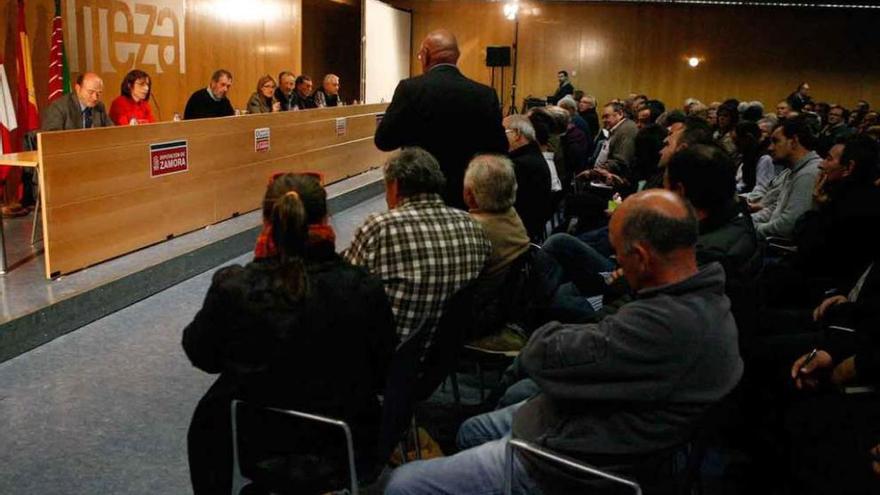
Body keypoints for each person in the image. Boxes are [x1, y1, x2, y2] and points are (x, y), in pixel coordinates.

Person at [384, 189, 743, 494]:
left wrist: (560, 334)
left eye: (617, 253)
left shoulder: (663, 323)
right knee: (471, 430)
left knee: (401, 484)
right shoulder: (710, 300)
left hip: (563, 461)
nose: (614, 261)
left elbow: (543, 355)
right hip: (579, 424)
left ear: (643, 258)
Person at [183, 173, 396, 494]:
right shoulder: (363, 288)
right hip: (347, 445)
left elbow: (202, 354)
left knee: (212, 416)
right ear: (325, 219)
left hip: (257, 445)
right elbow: (384, 370)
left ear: (266, 221)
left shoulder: (235, 288)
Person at [344, 147, 491, 340]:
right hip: (446, 349)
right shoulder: (474, 225)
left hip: (387, 353)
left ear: (395, 186)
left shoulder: (380, 227)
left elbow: (344, 290)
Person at [374, 29, 508, 210]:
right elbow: (499, 147)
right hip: (465, 194)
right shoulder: (485, 94)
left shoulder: (410, 89)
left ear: (426, 55)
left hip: (417, 192)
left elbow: (384, 141)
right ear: (457, 56)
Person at [751, 117, 821, 241]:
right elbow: (776, 210)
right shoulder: (792, 170)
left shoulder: (809, 173)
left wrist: (754, 230)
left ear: (793, 141)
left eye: (775, 141)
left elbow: (788, 225)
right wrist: (748, 222)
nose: (770, 148)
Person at [503, 115, 552, 240]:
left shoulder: (520, 164)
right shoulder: (533, 156)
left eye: (504, 131)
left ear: (517, 134)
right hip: (531, 227)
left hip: (518, 232)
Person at [42, 72, 113, 130]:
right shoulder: (59, 107)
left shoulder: (99, 107)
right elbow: (51, 139)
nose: (95, 98)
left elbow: (111, 132)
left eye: (99, 93)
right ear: (78, 89)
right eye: (90, 92)